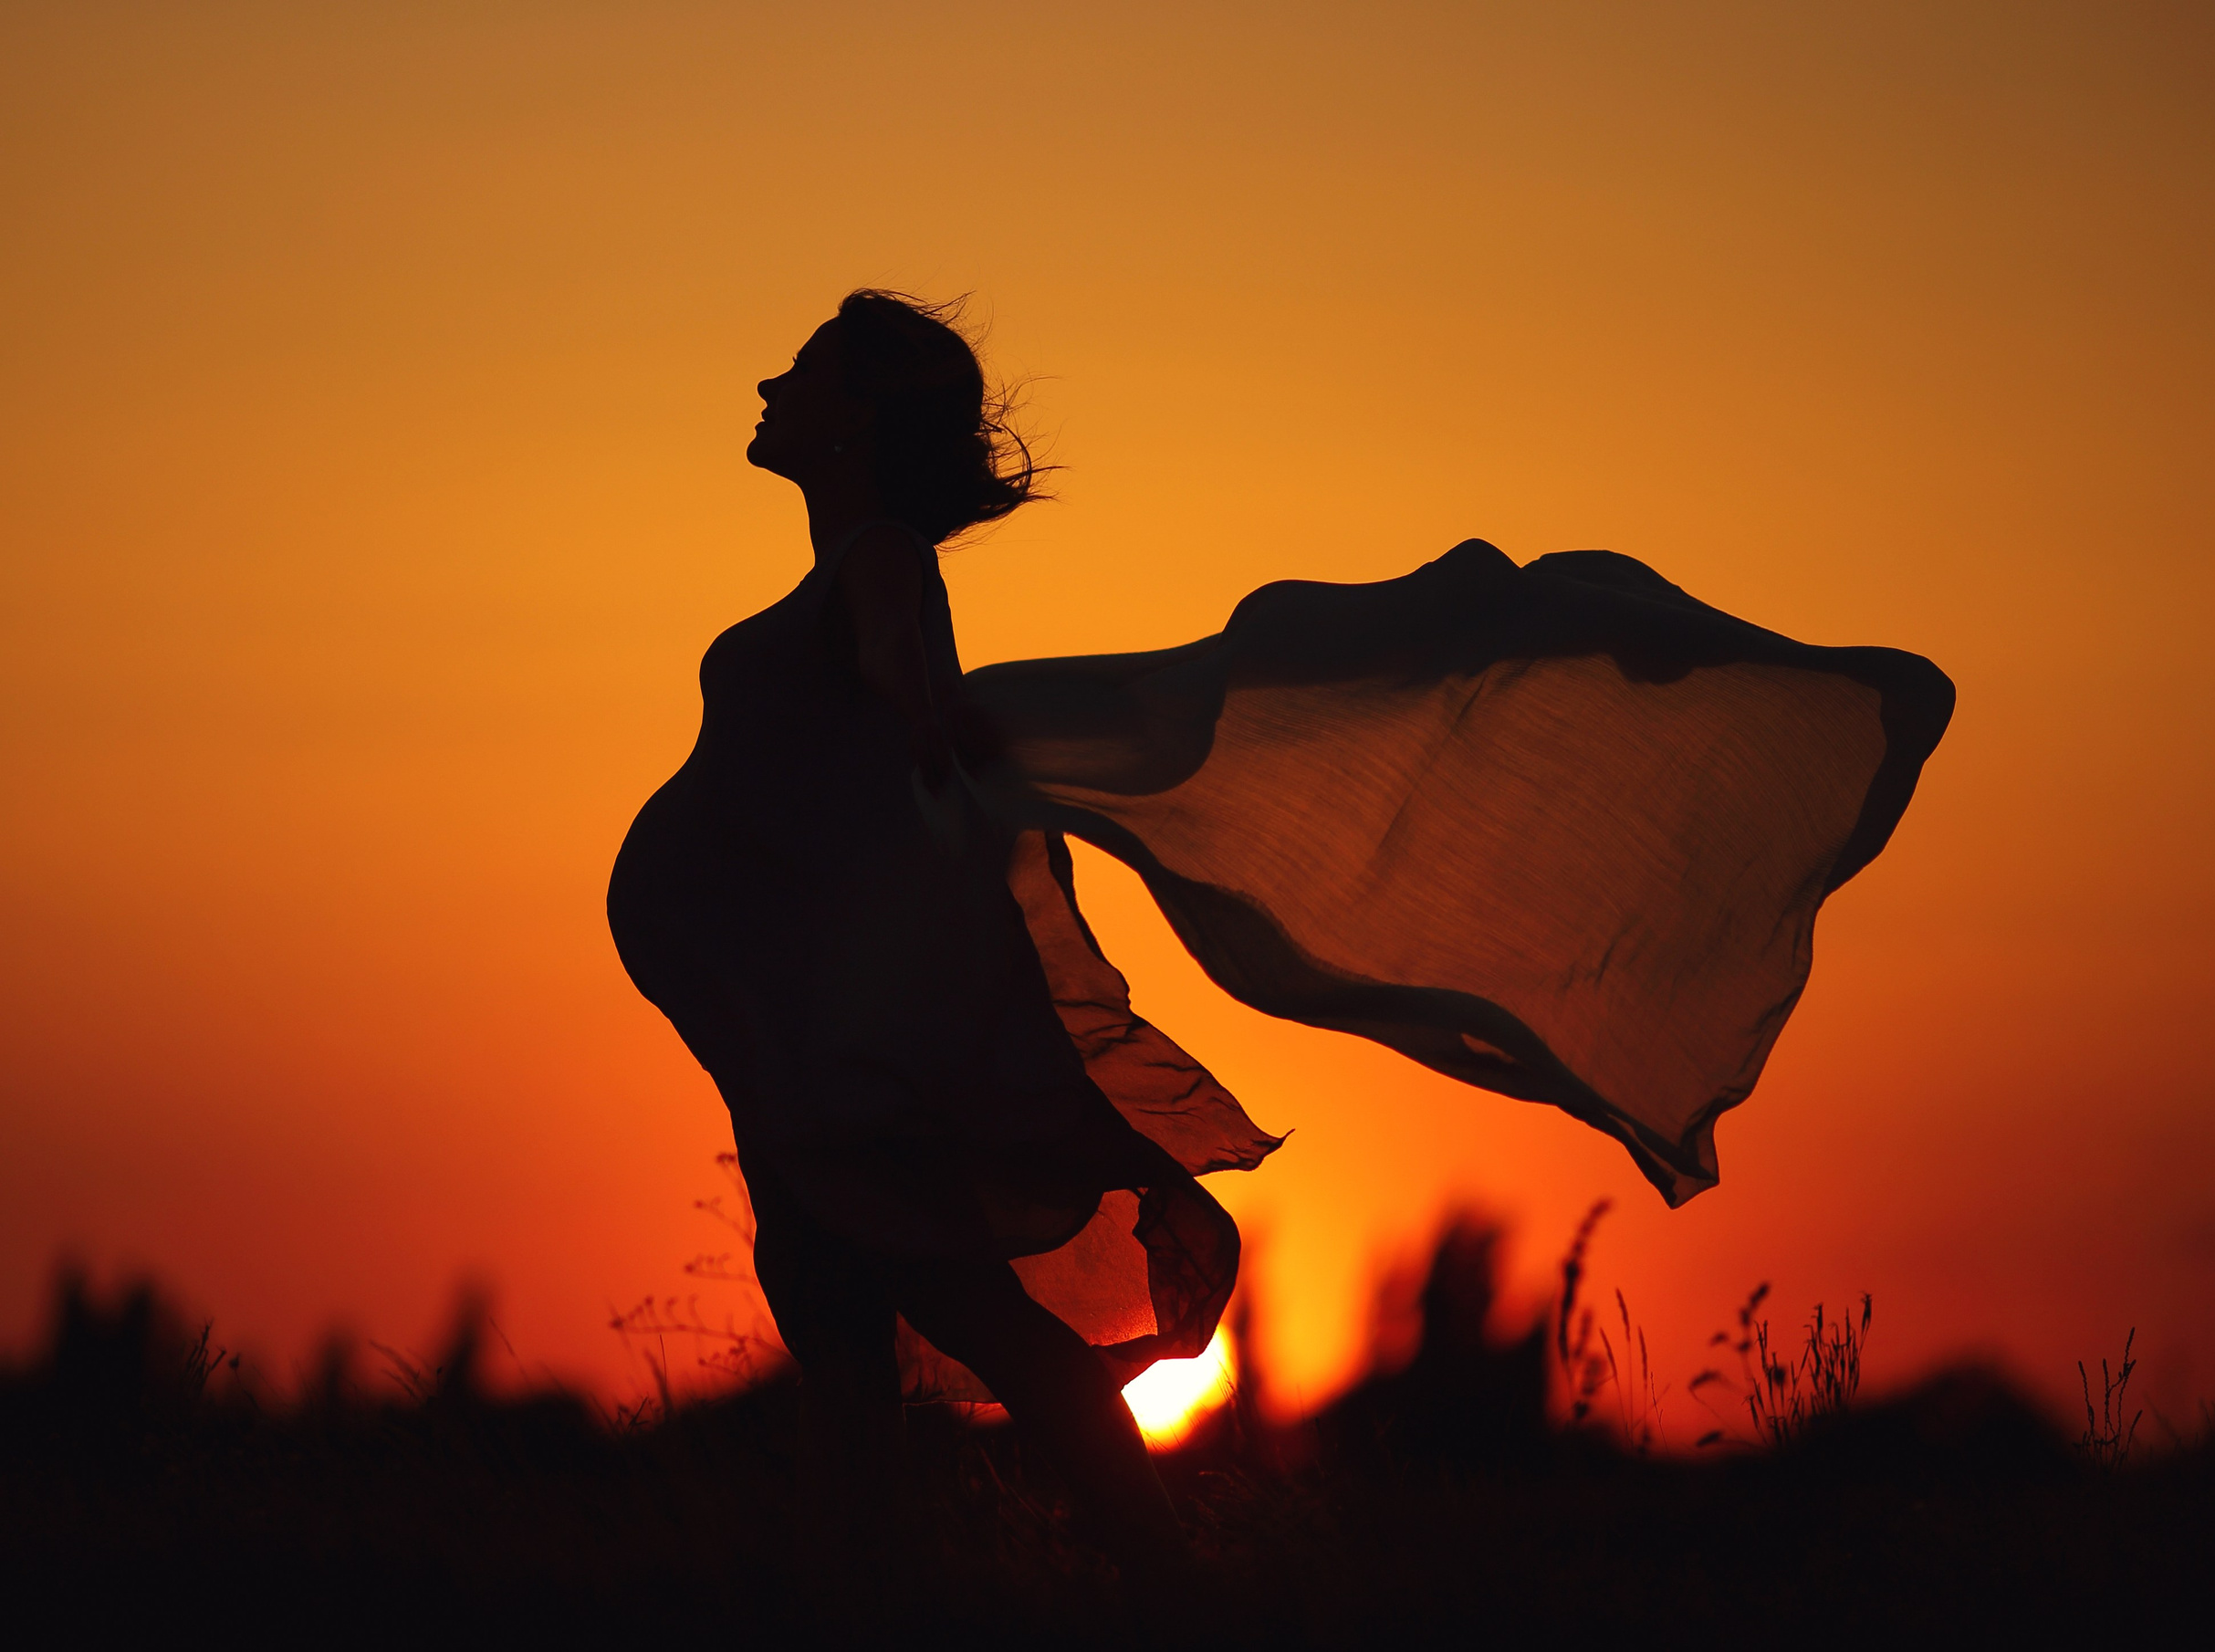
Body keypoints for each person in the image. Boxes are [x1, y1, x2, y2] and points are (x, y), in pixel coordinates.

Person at [609, 288, 1954, 1572]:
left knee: (962, 1315)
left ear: (854, 421)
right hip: (794, 1041)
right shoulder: (844, 571)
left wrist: (916, 726)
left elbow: (903, 679)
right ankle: (866, 1592)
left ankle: (1158, 1583)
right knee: (840, 1330)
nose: (774, 385)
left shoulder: (881, 560)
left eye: (804, 371)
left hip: (852, 1041)